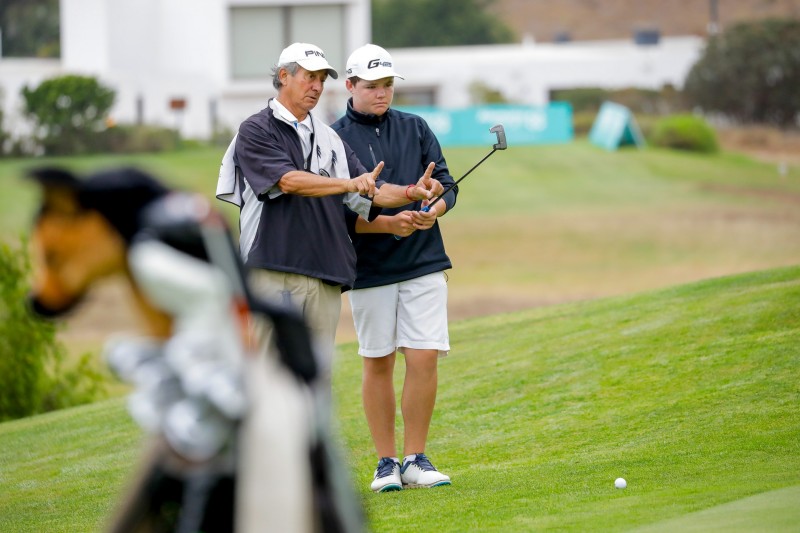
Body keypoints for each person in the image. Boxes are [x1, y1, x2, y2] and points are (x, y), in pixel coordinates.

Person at [218, 42, 443, 394]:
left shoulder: (329, 137)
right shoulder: (257, 129)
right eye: (310, 77)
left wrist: (412, 192)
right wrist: (348, 183)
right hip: (273, 269)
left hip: (324, 273)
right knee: (267, 379)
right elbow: (288, 181)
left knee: (315, 383)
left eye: (322, 79)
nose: (317, 86)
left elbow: (371, 190)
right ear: (284, 76)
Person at [331, 44, 457, 492]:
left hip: (424, 261)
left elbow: (446, 184)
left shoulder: (415, 126)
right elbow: (337, 211)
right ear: (350, 86)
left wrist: (433, 210)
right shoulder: (333, 138)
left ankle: (415, 459)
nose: (382, 93)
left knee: (423, 356)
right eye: (372, 86)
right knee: (379, 361)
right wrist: (388, 224)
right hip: (369, 268)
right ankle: (386, 464)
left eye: (387, 85)